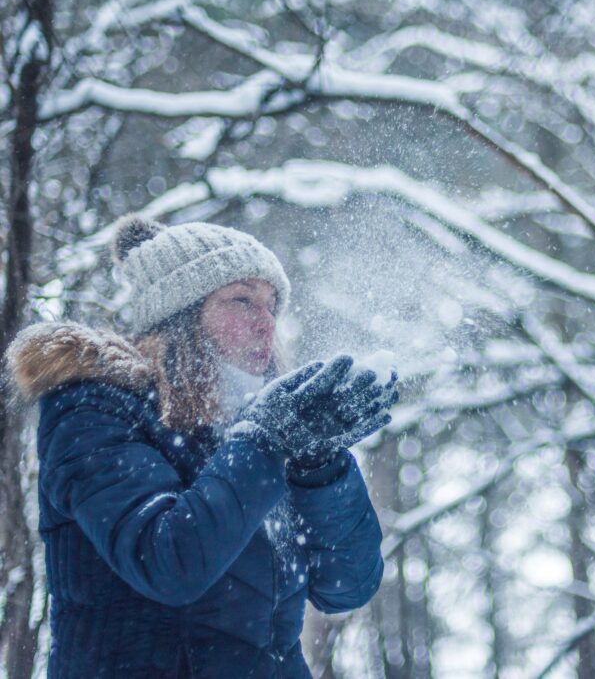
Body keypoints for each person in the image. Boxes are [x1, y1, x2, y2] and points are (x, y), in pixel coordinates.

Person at [5, 214, 399, 678]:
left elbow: (346, 587)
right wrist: (265, 443)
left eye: (272, 306)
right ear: (182, 314)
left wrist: (319, 468)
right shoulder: (93, 409)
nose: (265, 324)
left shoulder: (263, 425)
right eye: (241, 300)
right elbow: (168, 564)